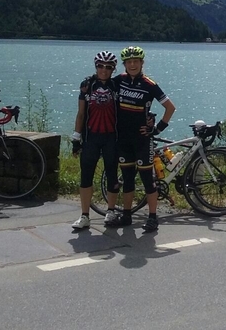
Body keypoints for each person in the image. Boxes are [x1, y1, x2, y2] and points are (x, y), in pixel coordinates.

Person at [109, 45, 175, 231]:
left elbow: (170, 108)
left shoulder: (149, 85)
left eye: (136, 61)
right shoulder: (118, 81)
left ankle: (153, 217)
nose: (132, 65)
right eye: (129, 62)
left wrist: (157, 129)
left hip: (142, 140)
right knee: (127, 180)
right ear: (124, 64)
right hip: (123, 139)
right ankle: (127, 215)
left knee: (148, 180)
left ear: (142, 63)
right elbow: (102, 84)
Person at [70, 51, 119, 230]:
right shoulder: (87, 85)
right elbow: (81, 113)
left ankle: (111, 211)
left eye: (108, 67)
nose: (104, 70)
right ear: (96, 66)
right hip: (91, 137)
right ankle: (84, 216)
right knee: (86, 176)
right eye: (100, 66)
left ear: (113, 69)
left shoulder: (117, 85)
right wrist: (76, 138)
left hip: (111, 138)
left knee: (112, 175)